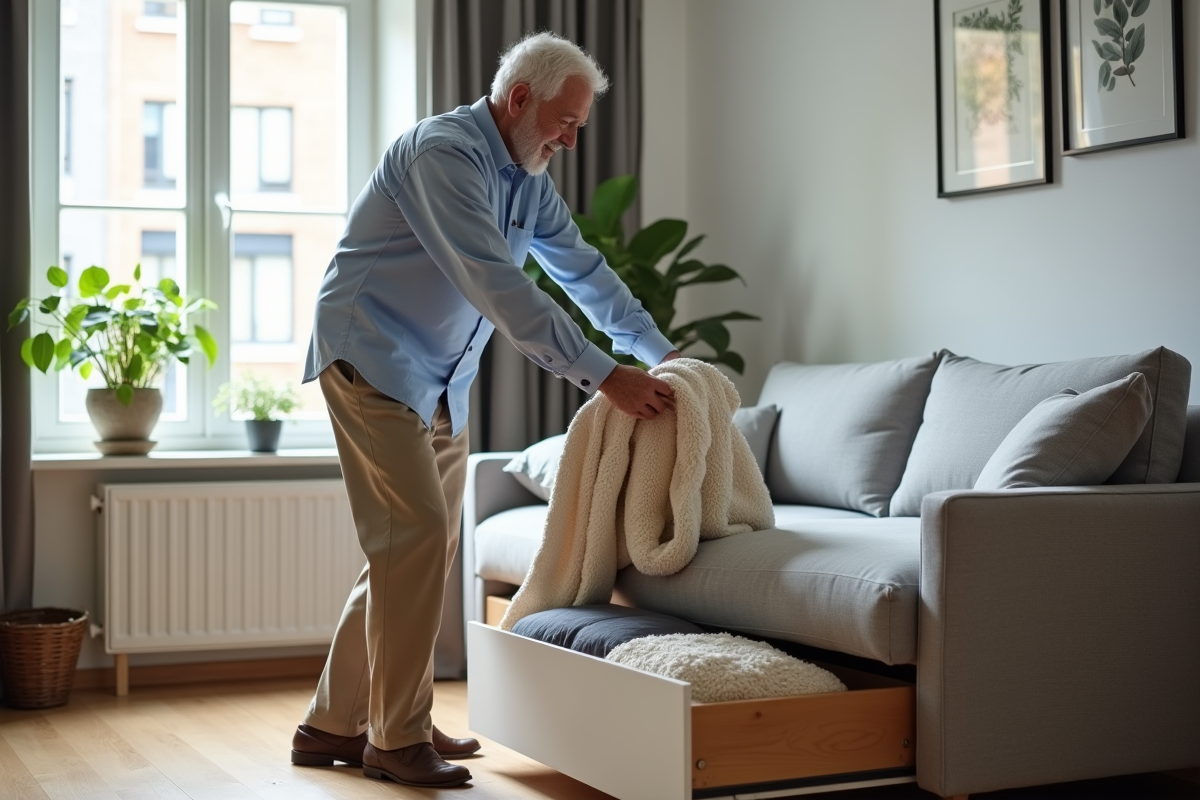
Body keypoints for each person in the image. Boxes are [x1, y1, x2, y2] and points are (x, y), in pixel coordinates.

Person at [290, 31, 679, 789]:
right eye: (565, 123)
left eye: (579, 127)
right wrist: (607, 375)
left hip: (438, 377)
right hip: (370, 356)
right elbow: (496, 284)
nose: (570, 140)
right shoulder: (444, 154)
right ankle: (394, 739)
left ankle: (334, 723)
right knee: (418, 536)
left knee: (413, 549)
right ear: (520, 98)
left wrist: (659, 353)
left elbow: (584, 271)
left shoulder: (527, 178)